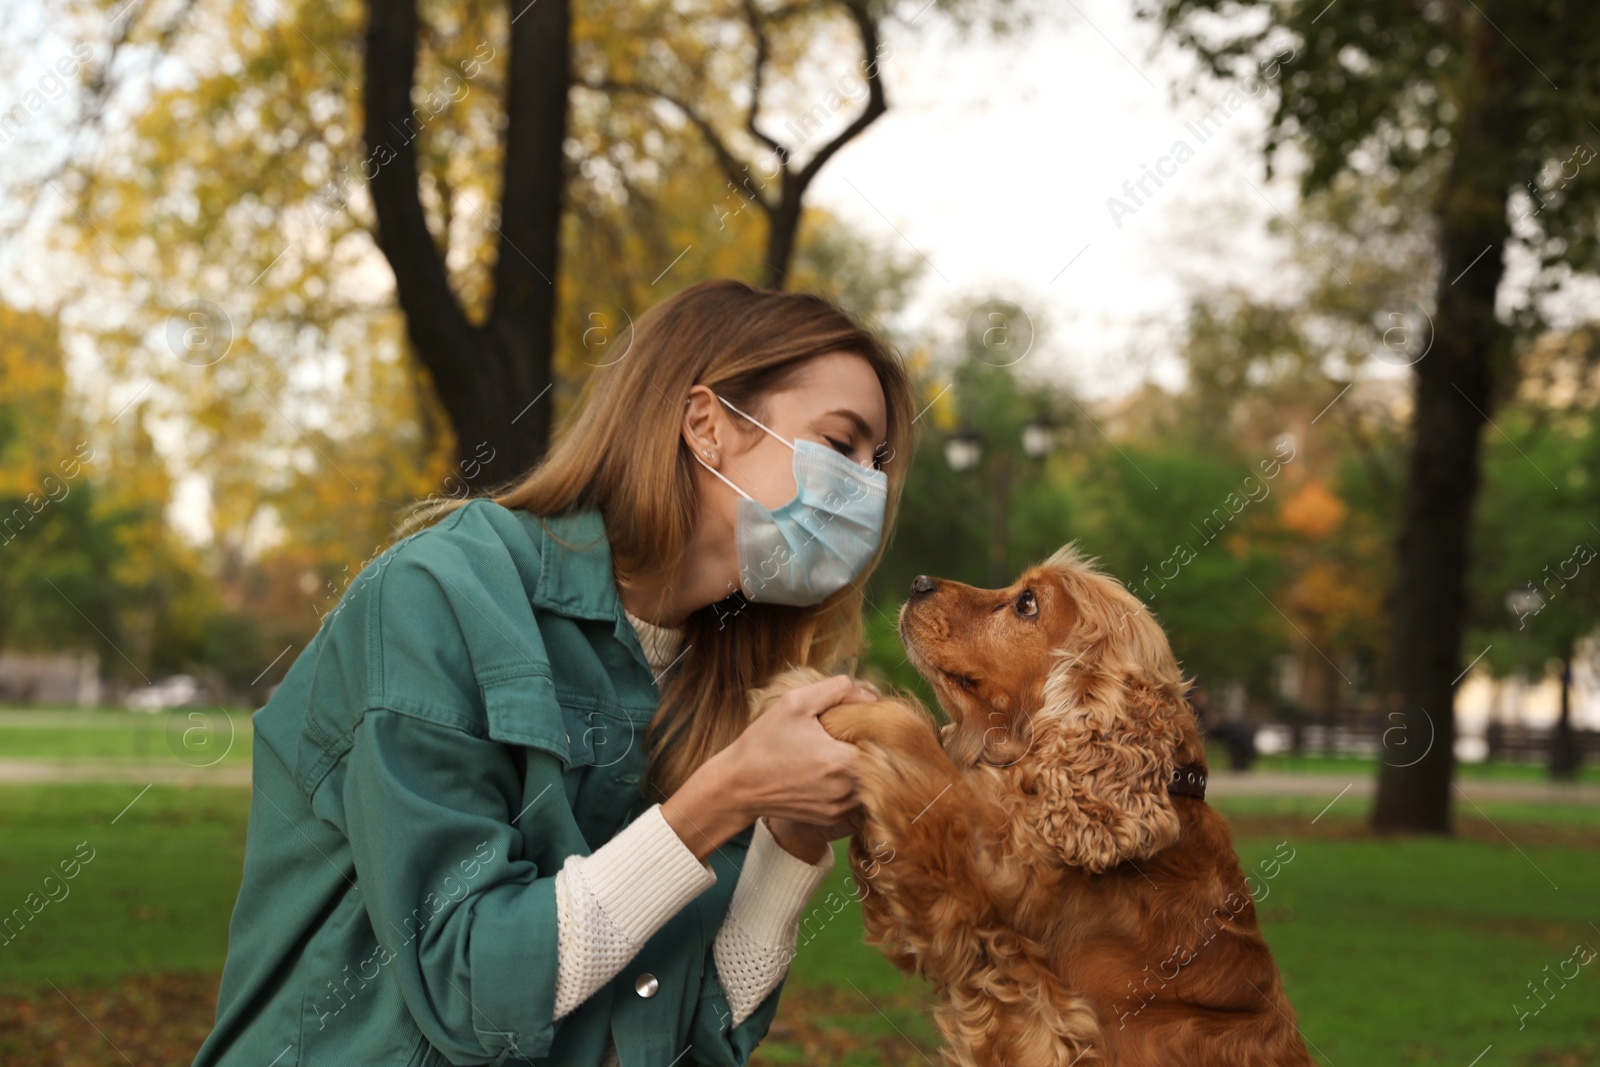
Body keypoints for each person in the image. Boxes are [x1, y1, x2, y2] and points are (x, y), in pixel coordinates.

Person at [190, 277, 919, 1067]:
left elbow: (695, 1029)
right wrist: (725, 796)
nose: (867, 490)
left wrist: (792, 830)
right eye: (841, 444)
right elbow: (470, 985)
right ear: (708, 426)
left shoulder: (725, 675)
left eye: (876, 463)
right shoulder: (437, 597)